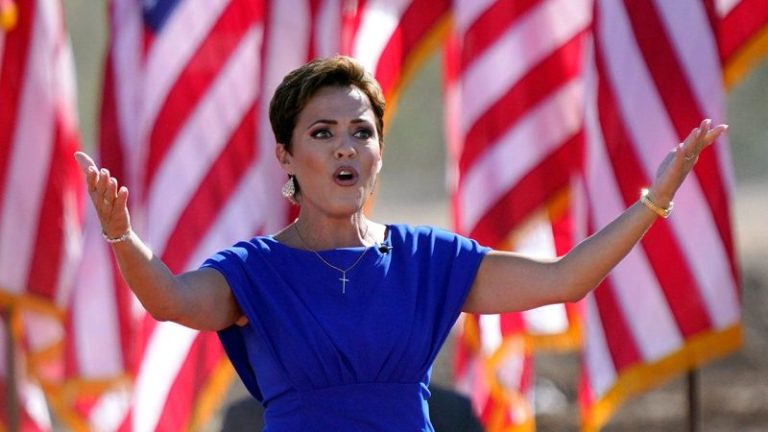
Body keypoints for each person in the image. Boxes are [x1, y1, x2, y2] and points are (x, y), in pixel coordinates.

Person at [74, 55, 726, 431]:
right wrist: (121, 235)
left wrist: (655, 199)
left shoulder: (426, 260)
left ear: (379, 151)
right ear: (287, 156)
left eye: (361, 132)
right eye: (323, 133)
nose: (345, 147)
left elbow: (565, 279)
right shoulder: (255, 271)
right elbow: (170, 299)